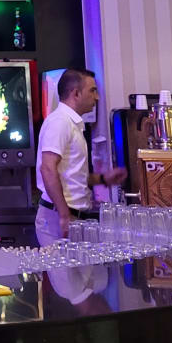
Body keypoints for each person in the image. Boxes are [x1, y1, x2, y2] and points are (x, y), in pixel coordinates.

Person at [35, 68, 127, 246]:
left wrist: (103, 179)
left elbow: (71, 175)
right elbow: (47, 168)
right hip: (58, 218)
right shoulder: (60, 122)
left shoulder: (72, 123)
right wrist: (64, 214)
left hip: (72, 217)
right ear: (76, 93)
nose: (97, 97)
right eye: (93, 90)